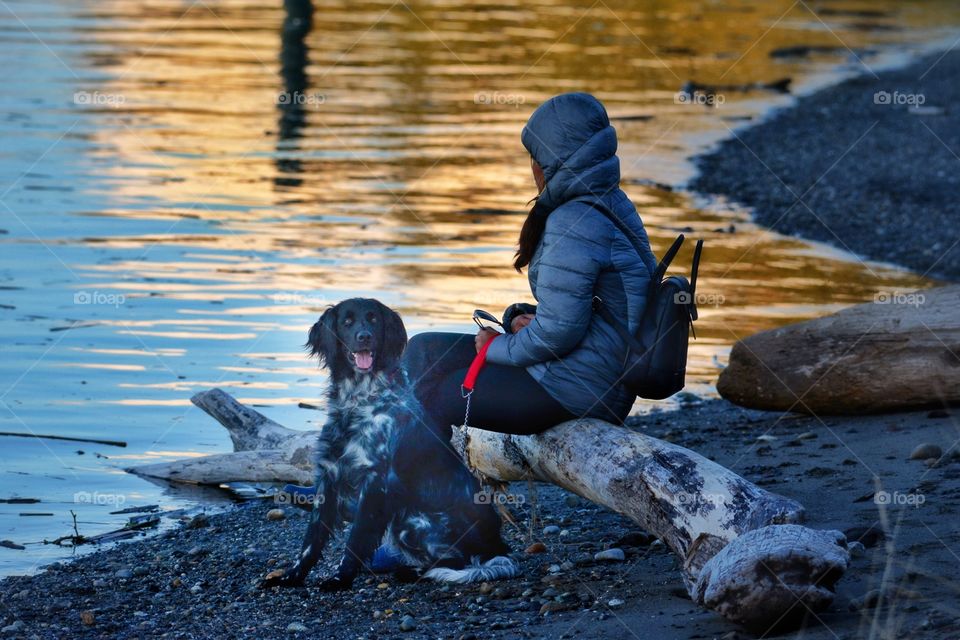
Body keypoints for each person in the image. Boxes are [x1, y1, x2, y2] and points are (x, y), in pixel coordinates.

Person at [403, 92, 658, 434]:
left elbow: (558, 334)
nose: (532, 167)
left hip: (578, 387)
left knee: (436, 396)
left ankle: (404, 464)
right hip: (586, 370)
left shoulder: (574, 220)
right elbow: (582, 311)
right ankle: (395, 457)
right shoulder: (610, 202)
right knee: (423, 351)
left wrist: (496, 346)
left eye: (535, 157)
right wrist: (523, 317)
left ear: (552, 161)